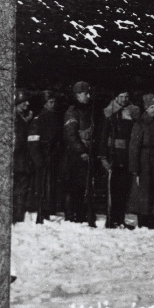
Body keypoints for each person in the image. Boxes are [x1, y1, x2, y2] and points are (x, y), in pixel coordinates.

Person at [98, 91, 137, 228]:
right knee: (112, 190)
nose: (124, 99)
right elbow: (103, 136)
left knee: (124, 189)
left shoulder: (133, 112)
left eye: (126, 96)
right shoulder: (109, 113)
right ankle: (111, 219)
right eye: (121, 96)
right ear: (115, 97)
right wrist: (103, 156)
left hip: (127, 156)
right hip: (112, 155)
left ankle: (120, 219)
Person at [62, 81, 96, 226]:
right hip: (75, 155)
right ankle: (71, 215)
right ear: (77, 95)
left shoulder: (88, 110)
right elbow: (71, 135)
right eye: (85, 93)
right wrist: (81, 151)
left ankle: (81, 214)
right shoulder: (73, 111)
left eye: (89, 93)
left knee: (84, 185)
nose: (88, 95)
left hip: (86, 153)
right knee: (74, 186)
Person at [28, 90, 63, 224]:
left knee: (51, 186)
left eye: (54, 102)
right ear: (44, 104)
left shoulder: (56, 118)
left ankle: (48, 211)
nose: (53, 105)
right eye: (50, 102)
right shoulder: (39, 119)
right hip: (42, 158)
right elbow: (33, 141)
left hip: (53, 157)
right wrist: (39, 161)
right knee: (41, 187)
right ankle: (41, 213)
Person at [127, 93, 154, 229]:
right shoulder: (140, 124)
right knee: (144, 192)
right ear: (146, 108)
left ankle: (152, 219)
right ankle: (143, 221)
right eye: (152, 107)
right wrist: (134, 167)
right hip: (143, 161)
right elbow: (134, 147)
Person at [13, 89, 33, 224]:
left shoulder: (23, 118)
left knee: (21, 187)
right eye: (23, 101)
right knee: (19, 187)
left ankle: (18, 216)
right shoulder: (15, 119)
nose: (27, 104)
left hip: (21, 160)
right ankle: (16, 216)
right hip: (17, 160)